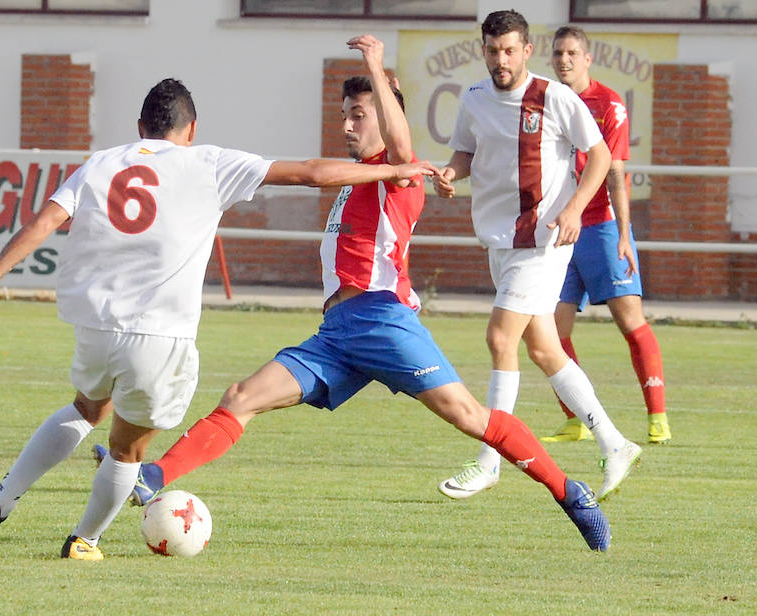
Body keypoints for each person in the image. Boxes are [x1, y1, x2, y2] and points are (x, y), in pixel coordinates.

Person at [95, 34, 612, 552]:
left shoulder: (400, 172)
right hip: (338, 334)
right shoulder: (356, 177)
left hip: (383, 322)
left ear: (385, 116)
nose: (347, 125)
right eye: (346, 114)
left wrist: (376, 66)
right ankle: (152, 477)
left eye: (358, 114)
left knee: (470, 417)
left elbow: (405, 148)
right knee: (242, 397)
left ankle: (572, 493)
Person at [0, 77, 437, 561]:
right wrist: (393, 170)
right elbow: (312, 172)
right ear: (190, 129)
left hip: (96, 325)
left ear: (141, 127)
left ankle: (0, 497)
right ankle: (86, 540)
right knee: (127, 448)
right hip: (159, 335)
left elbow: (43, 221)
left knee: (87, 407)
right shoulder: (207, 161)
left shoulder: (102, 162)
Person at [433, 11, 641, 502]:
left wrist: (572, 209)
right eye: (491, 50)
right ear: (482, 50)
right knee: (545, 350)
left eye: (509, 50)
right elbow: (465, 153)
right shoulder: (475, 99)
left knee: (499, 337)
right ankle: (615, 443)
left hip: (542, 241)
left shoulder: (555, 97)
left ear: (526, 50)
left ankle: (489, 461)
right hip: (500, 242)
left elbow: (602, 156)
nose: (500, 59)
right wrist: (449, 174)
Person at [540, 25, 671, 445]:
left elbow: (615, 173)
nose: (564, 59)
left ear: (586, 58)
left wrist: (622, 236)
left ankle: (658, 418)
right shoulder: (545, 101)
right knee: (551, 330)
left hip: (600, 227)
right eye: (558, 52)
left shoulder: (608, 104)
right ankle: (577, 418)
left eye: (572, 53)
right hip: (561, 230)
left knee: (629, 321)